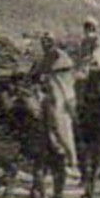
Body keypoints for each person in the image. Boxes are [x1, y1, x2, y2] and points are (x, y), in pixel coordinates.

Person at [32, 33, 80, 167]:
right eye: (43, 42)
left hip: (62, 94)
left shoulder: (58, 56)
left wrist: (43, 76)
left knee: (61, 124)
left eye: (48, 42)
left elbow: (50, 71)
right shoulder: (46, 57)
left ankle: (72, 159)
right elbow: (36, 72)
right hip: (50, 93)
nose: (45, 45)